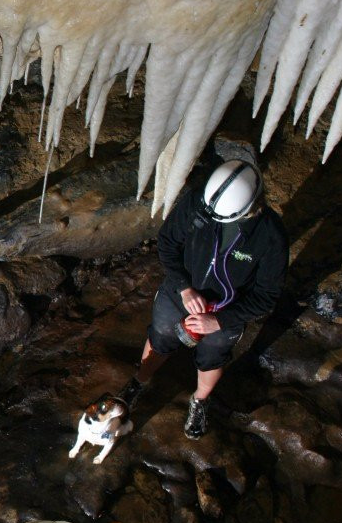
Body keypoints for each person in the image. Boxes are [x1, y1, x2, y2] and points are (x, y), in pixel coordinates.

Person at [118, 160, 289, 439]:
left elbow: (266, 296)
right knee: (161, 334)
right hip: (181, 291)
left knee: (212, 356)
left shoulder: (270, 237)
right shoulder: (201, 202)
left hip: (227, 310)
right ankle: (139, 381)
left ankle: (199, 401)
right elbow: (168, 242)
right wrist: (184, 287)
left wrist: (220, 321)